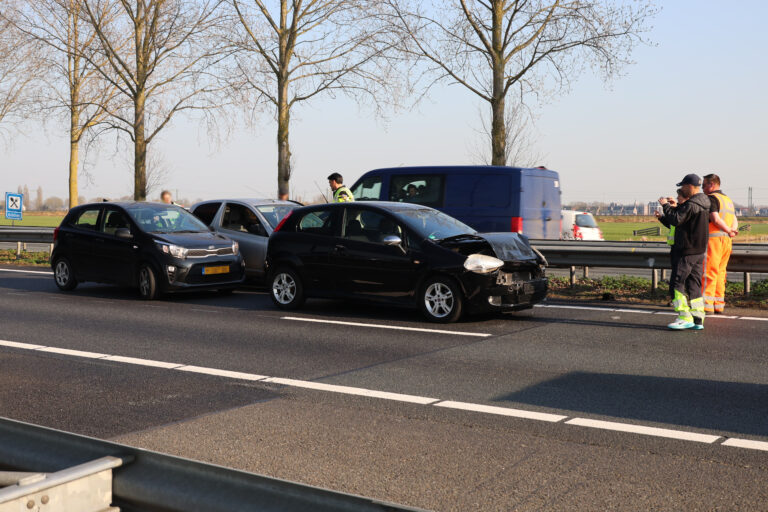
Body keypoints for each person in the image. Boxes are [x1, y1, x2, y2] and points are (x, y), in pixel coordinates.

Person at [658, 173, 710, 330]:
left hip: (686, 250)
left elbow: (677, 220)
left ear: (690, 186)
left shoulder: (692, 204)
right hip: (699, 250)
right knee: (694, 284)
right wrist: (675, 207)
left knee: (676, 283)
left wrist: (666, 206)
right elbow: (684, 219)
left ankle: (684, 316)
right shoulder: (703, 202)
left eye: (682, 186)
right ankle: (698, 318)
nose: (681, 189)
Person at [702, 174, 738, 314]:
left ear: (712, 184)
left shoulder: (712, 198)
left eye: (704, 185)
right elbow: (735, 219)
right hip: (727, 241)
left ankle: (706, 304)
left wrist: (728, 230)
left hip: (714, 240)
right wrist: (732, 231)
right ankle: (718, 304)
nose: (702, 188)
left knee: (709, 272)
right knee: (721, 273)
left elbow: (715, 219)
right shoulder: (727, 200)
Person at [655, 187, 690, 301]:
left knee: (678, 276)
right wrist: (661, 218)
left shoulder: (685, 211)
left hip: (681, 247)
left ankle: (677, 300)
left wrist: (666, 206)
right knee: (677, 274)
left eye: (678, 197)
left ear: (684, 198)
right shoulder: (680, 210)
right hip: (676, 246)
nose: (677, 199)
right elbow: (672, 224)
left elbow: (676, 220)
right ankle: (676, 299)